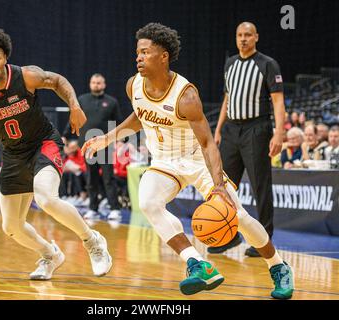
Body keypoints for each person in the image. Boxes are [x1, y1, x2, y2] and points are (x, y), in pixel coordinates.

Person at [82, 22, 294, 299]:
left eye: (145, 52)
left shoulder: (186, 95)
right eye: (138, 52)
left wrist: (218, 185)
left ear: (163, 56)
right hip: (164, 162)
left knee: (237, 215)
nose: (138, 57)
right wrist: (108, 138)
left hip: (196, 160)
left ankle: (278, 266)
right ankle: (197, 263)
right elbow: (140, 115)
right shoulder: (133, 85)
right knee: (147, 202)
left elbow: (207, 142)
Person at [0, 27, 112, 280]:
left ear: (5, 57)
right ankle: (50, 254)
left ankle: (92, 241)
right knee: (11, 227)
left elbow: (58, 80)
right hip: (13, 154)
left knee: (46, 198)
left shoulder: (25, 76)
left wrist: (74, 105)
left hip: (43, 143)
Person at [212, 22, 286, 257]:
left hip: (257, 128)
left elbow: (278, 101)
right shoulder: (230, 63)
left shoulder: (267, 63)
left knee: (260, 186)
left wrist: (279, 133)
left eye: (247, 35)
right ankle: (228, 237)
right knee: (224, 186)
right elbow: (227, 97)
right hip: (232, 130)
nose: (243, 39)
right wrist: (219, 128)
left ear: (256, 37)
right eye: (239, 35)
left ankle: (264, 240)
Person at [63, 74, 122, 220]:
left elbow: (118, 123)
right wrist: (66, 135)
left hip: (105, 145)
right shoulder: (82, 100)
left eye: (99, 83)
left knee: (109, 177)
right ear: (90, 84)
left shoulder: (112, 102)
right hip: (87, 145)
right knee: (91, 178)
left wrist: (121, 139)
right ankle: (93, 208)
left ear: (104, 84)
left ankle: (115, 209)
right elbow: (74, 119)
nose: (96, 85)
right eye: (94, 82)